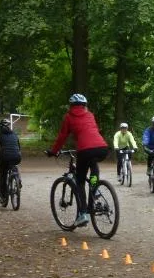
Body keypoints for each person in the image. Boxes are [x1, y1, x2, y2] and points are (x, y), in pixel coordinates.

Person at [46, 94, 109, 227]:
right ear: (85, 105)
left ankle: (83, 214)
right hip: (102, 148)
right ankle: (94, 186)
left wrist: (54, 151)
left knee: (79, 182)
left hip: (85, 150)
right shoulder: (90, 115)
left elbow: (62, 136)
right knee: (93, 164)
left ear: (71, 105)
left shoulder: (68, 117)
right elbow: (92, 131)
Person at [0, 119, 22, 205]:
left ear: (1, 127)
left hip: (4, 158)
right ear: (9, 126)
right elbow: (19, 147)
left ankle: (3, 197)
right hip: (17, 156)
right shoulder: (14, 134)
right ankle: (18, 179)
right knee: (15, 165)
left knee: (3, 176)